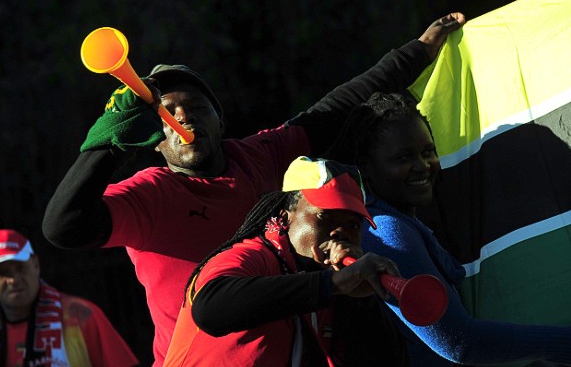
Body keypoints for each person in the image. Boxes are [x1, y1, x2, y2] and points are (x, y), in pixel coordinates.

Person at [43, 13, 466, 365]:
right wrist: (108, 147)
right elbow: (63, 227)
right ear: (151, 138)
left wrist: (419, 51)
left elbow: (335, 110)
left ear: (220, 120)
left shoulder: (257, 155)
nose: (183, 117)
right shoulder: (149, 194)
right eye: (166, 113)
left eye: (196, 107)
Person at [327, 91, 571, 366]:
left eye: (428, 152)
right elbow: (459, 343)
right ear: (365, 168)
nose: (423, 165)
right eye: (404, 157)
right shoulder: (386, 230)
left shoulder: (399, 221)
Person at [164, 157, 408, 366]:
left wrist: (362, 299)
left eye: (353, 225)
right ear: (284, 216)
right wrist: (333, 283)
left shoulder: (330, 287)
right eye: (325, 216)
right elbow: (208, 310)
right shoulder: (251, 255)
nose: (339, 232)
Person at [0, 229, 139, 367]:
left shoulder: (79, 314)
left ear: (36, 264)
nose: (13, 280)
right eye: (2, 273)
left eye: (20, 268)